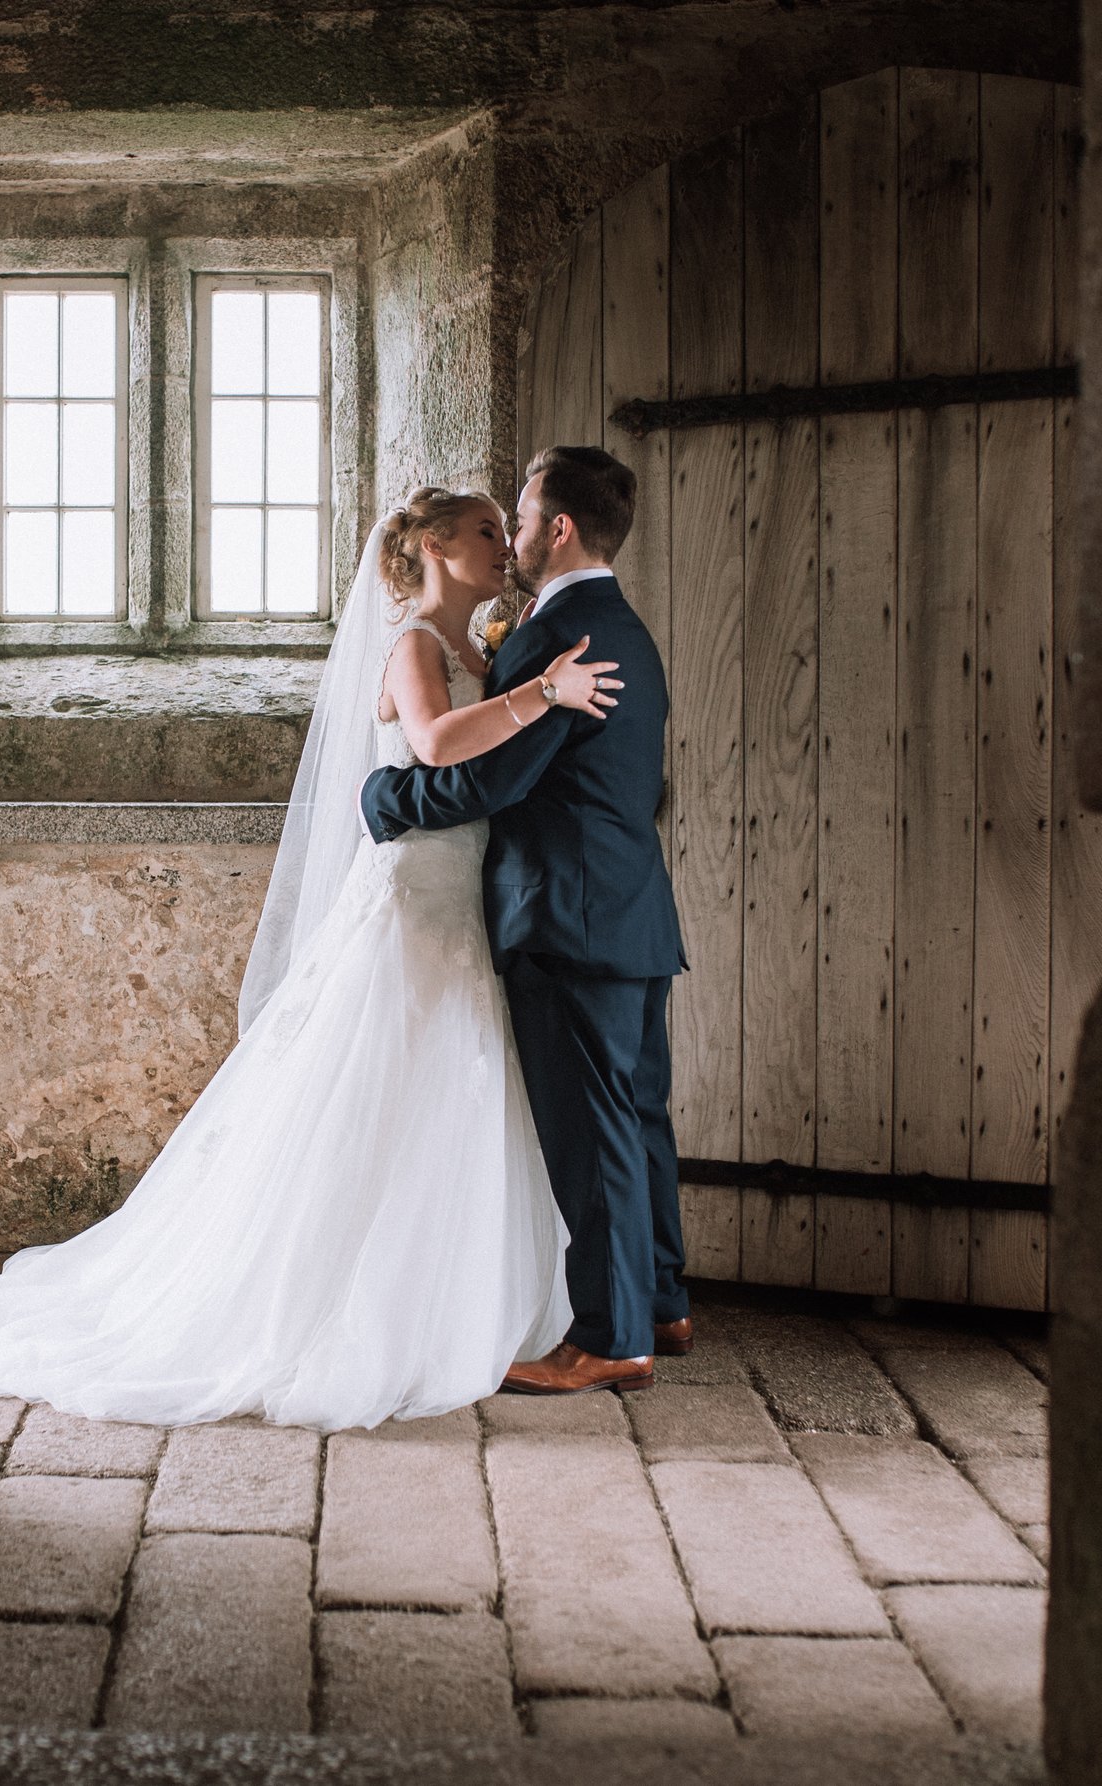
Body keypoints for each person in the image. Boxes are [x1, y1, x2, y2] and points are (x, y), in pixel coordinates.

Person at [0, 487, 625, 1429]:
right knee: (370, 1094)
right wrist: (545, 693)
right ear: (431, 544)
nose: (499, 544)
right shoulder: (417, 645)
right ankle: (324, 1310)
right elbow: (430, 744)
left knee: (447, 1096)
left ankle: (436, 1299)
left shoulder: (480, 648)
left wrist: (524, 684)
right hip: (411, 904)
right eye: (479, 529)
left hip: (463, 902)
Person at [360, 446, 691, 1395]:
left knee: (596, 1134)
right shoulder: (626, 628)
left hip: (566, 916)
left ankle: (609, 1337)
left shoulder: (560, 638)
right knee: (638, 1118)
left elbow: (492, 777)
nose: (508, 535)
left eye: (519, 515)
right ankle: (663, 1304)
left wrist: (382, 802)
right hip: (629, 910)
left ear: (558, 528)